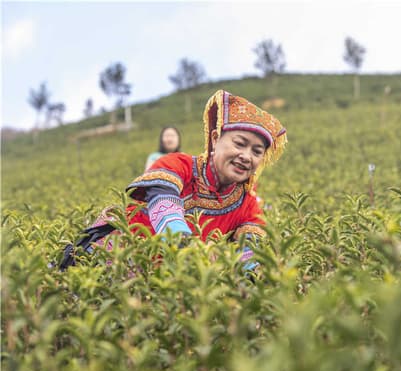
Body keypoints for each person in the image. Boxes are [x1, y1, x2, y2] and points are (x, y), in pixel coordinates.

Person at [59, 90, 287, 270]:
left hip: (170, 283)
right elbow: (164, 205)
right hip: (116, 260)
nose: (246, 156)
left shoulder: (247, 203)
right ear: (216, 139)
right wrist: (185, 248)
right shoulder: (178, 165)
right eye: (239, 144)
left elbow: (249, 254)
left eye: (257, 152)